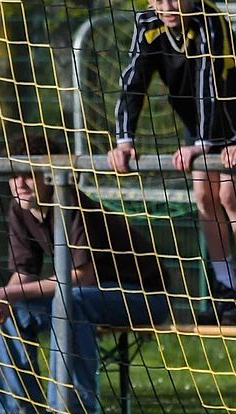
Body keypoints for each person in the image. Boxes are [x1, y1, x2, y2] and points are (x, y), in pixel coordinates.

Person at [0, 135, 170, 414]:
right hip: (86, 293)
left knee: (70, 301)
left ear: (50, 175)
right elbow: (22, 273)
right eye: (14, 175)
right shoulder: (19, 209)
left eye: (29, 174)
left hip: (144, 295)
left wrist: (10, 293)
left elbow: (83, 276)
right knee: (10, 311)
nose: (20, 183)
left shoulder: (73, 203)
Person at [109, 0, 236, 323]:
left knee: (229, 195)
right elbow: (134, 79)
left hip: (231, 115)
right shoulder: (149, 23)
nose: (167, 6)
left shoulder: (211, 20)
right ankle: (226, 287)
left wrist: (208, 144)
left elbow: (212, 81)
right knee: (204, 197)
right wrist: (124, 139)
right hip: (200, 124)